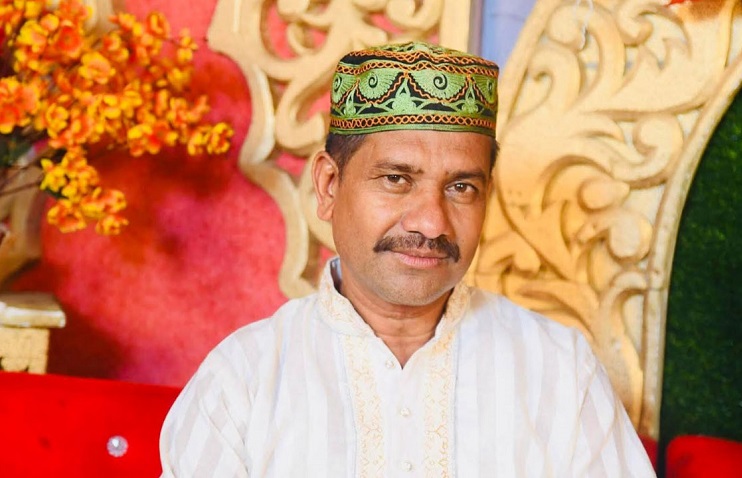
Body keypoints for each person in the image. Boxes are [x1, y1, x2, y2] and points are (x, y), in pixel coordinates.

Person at [159, 41, 655, 477]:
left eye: (461, 188)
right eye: (396, 179)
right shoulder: (243, 380)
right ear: (329, 186)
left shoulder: (560, 372)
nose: (431, 223)